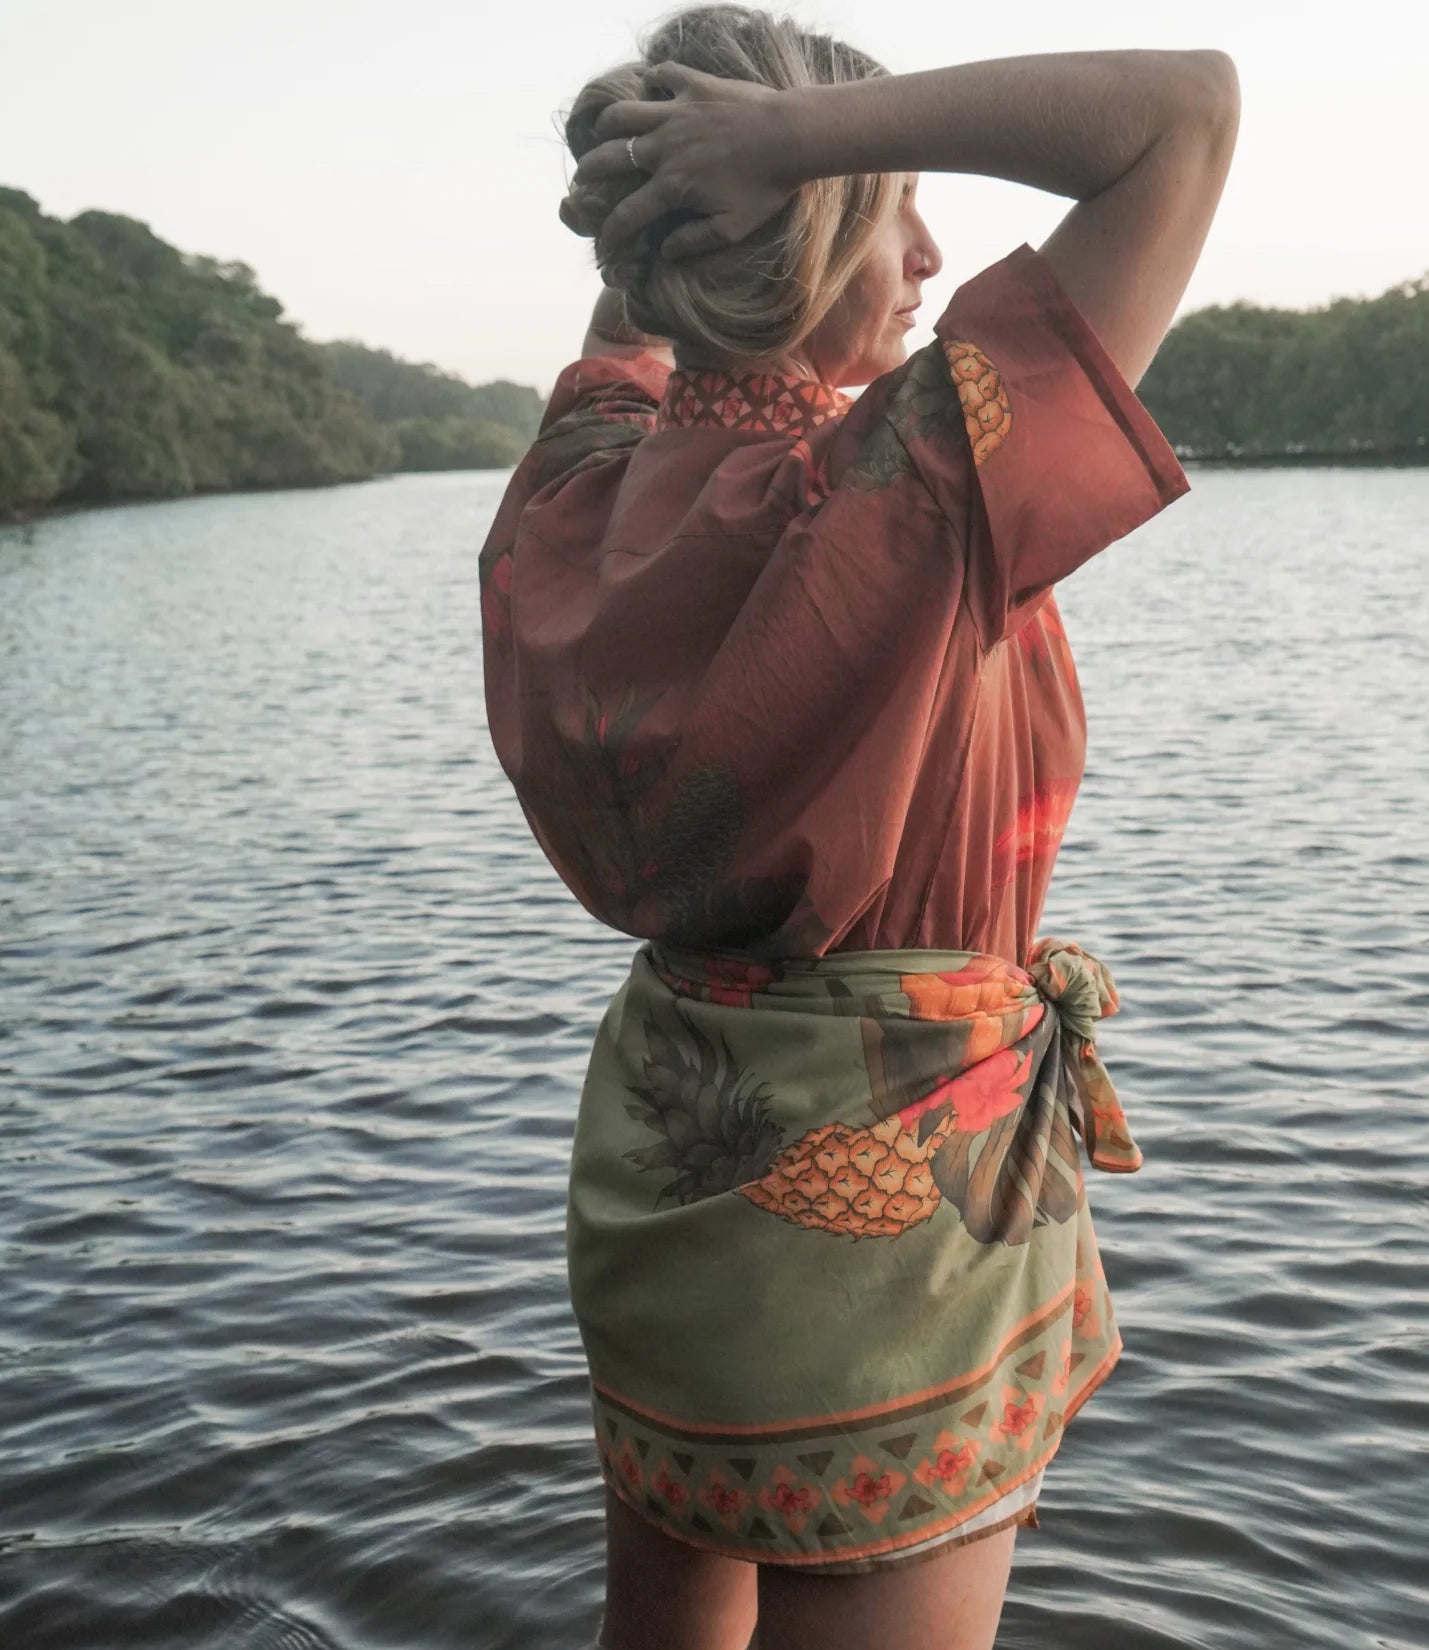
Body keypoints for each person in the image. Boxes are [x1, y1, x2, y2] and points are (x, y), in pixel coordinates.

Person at [477, 7, 1240, 1647]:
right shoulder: (907, 486)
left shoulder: (574, 486)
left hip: (667, 1171)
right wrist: (792, 136)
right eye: (891, 204)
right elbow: (1185, 111)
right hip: (883, 1212)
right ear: (798, 215)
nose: (930, 252)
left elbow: (638, 326)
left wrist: (728, 180)